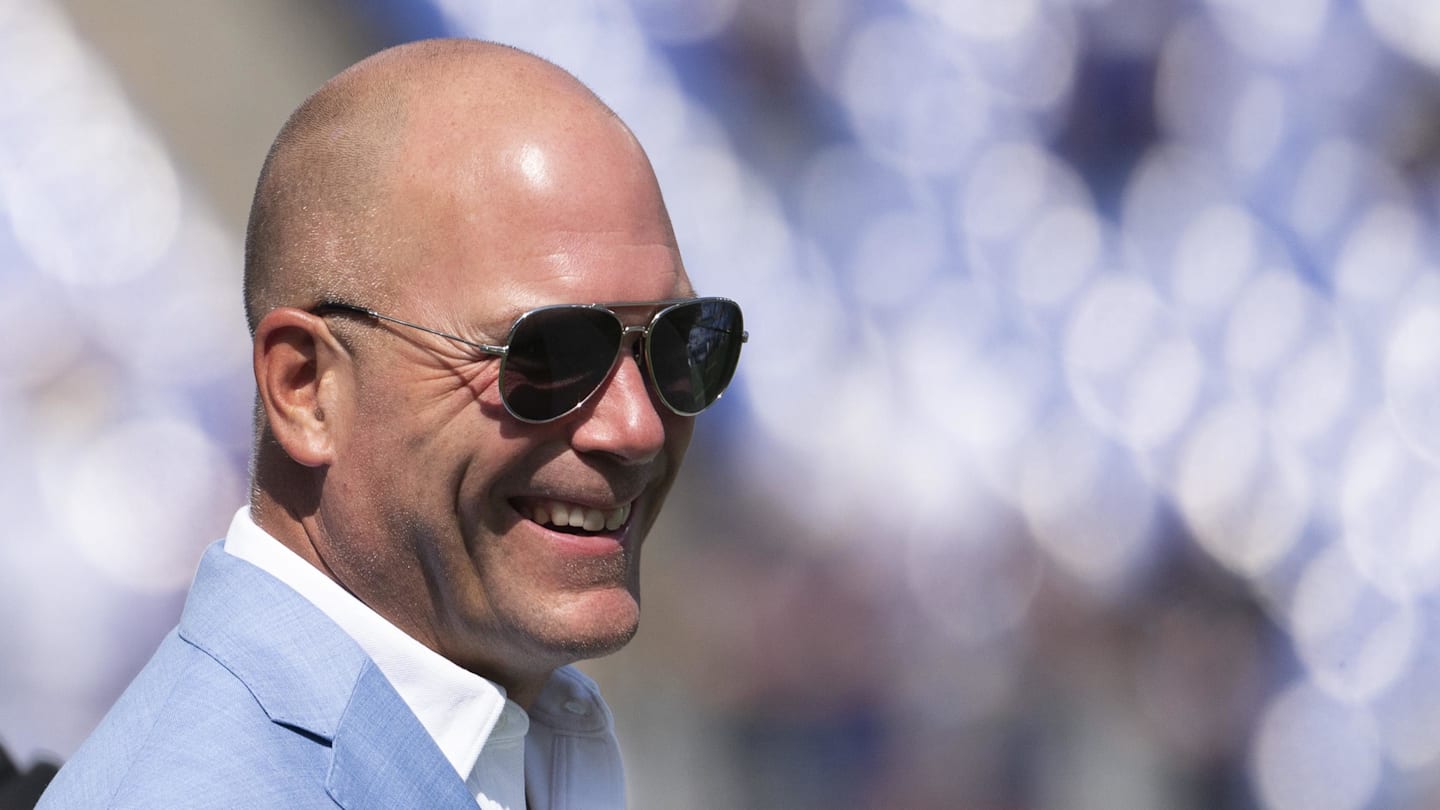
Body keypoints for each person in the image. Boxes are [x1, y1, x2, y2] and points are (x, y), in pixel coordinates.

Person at [38, 38, 745, 809]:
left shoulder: (510, 748)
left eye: (681, 343)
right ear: (306, 389)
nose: (638, 427)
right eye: (550, 354)